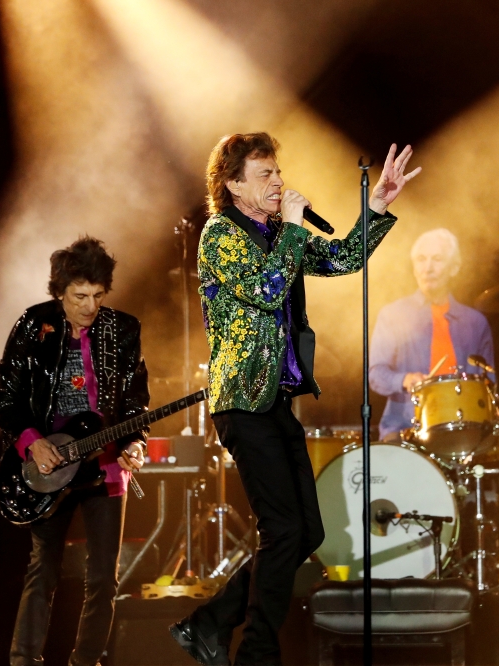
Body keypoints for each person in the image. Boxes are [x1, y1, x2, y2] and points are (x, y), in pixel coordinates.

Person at [171, 132, 420, 666]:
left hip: (275, 402)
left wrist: (377, 204)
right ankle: (257, 654)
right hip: (242, 401)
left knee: (306, 531)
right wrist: (290, 228)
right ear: (234, 185)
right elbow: (266, 291)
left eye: (278, 171)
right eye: (265, 174)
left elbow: (344, 259)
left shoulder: (278, 233)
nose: (279, 182)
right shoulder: (220, 234)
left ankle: (209, 624)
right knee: (282, 528)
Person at [0, 236, 149, 666]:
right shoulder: (34, 324)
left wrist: (135, 443)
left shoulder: (123, 329)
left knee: (104, 579)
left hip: (105, 464)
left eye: (98, 295)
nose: (89, 306)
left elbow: (136, 402)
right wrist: (32, 442)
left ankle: (86, 662)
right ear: (59, 291)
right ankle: (24, 661)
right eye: (80, 296)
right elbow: (4, 397)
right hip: (50, 465)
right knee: (43, 570)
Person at [369, 228, 494, 441]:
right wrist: (405, 379)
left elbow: (488, 382)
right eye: (421, 260)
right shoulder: (393, 315)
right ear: (414, 268)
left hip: (464, 429)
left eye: (437, 259)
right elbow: (376, 375)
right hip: (405, 428)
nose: (428, 268)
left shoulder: (475, 322)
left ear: (454, 268)